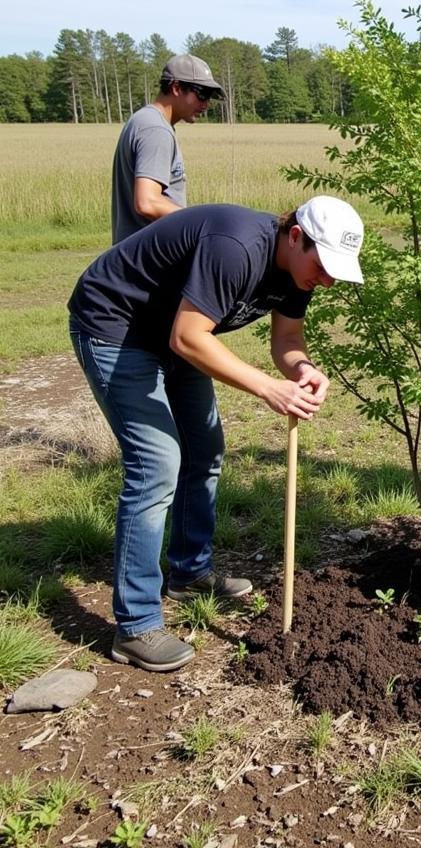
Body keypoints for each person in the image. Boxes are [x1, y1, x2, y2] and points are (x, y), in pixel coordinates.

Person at [68, 195, 364, 672]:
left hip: (174, 332)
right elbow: (188, 338)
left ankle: (189, 573)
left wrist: (304, 369)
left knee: (205, 449)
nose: (326, 279)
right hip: (115, 325)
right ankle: (136, 626)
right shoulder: (236, 247)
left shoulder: (299, 272)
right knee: (156, 464)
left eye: (336, 271)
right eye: (324, 264)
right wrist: (269, 389)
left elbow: (287, 340)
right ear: (295, 236)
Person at [111, 54, 225, 243]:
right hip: (146, 264)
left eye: (210, 96)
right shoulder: (155, 129)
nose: (206, 104)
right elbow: (147, 202)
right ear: (176, 87)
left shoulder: (144, 120)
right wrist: (202, 224)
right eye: (202, 94)